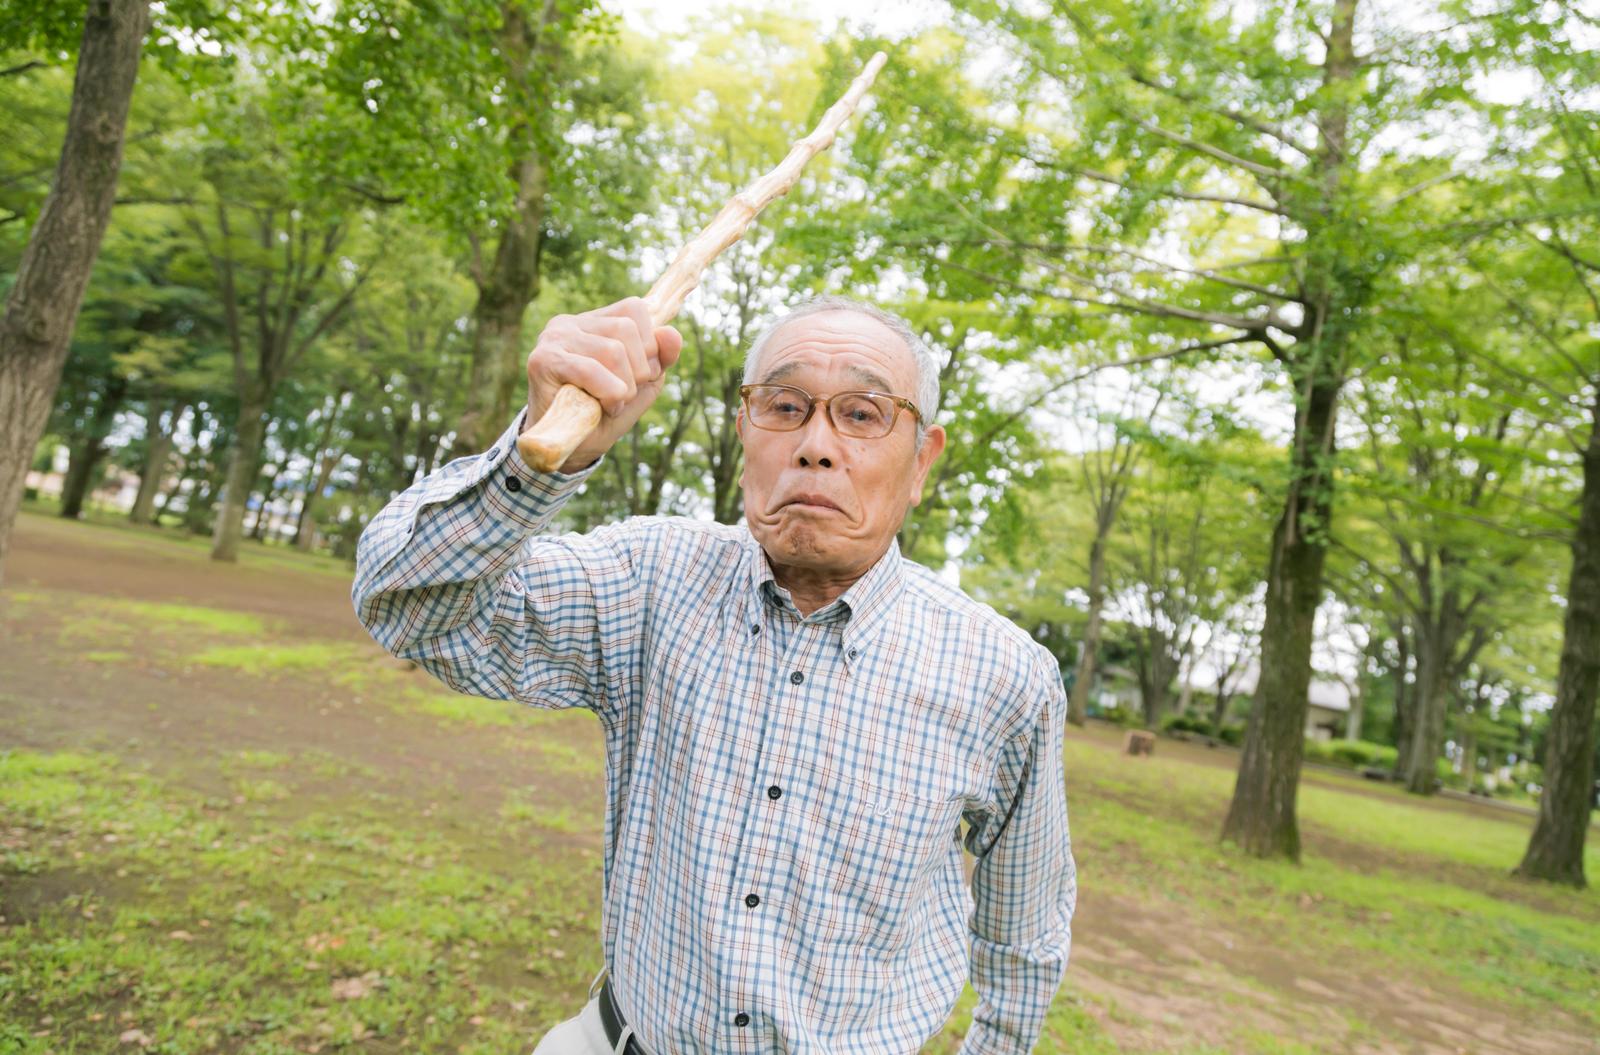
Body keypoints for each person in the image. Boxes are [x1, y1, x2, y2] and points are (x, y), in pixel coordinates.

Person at [351, 294, 1076, 1053]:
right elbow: (407, 607)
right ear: (744, 432)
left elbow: (1023, 927)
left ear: (921, 459)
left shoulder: (1005, 677)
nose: (816, 445)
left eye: (863, 414)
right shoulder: (648, 580)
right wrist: (543, 450)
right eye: (785, 406)